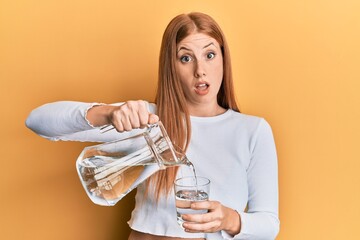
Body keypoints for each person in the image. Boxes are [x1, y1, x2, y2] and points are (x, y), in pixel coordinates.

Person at [26, 12, 279, 240]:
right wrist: (108, 113)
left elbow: (269, 224)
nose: (200, 70)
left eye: (210, 55)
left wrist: (229, 219)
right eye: (185, 58)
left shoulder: (252, 131)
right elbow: (37, 121)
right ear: (171, 66)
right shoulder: (148, 120)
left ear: (224, 58)